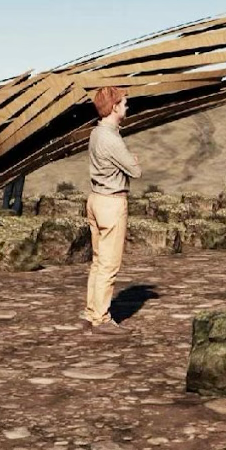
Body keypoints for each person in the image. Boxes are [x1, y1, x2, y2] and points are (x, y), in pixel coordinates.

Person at [81, 85, 140, 329]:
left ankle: (92, 310)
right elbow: (135, 170)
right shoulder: (112, 138)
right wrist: (132, 161)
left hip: (96, 198)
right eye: (124, 103)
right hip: (111, 202)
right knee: (109, 264)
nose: (126, 106)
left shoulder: (96, 133)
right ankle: (102, 318)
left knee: (98, 260)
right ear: (114, 107)